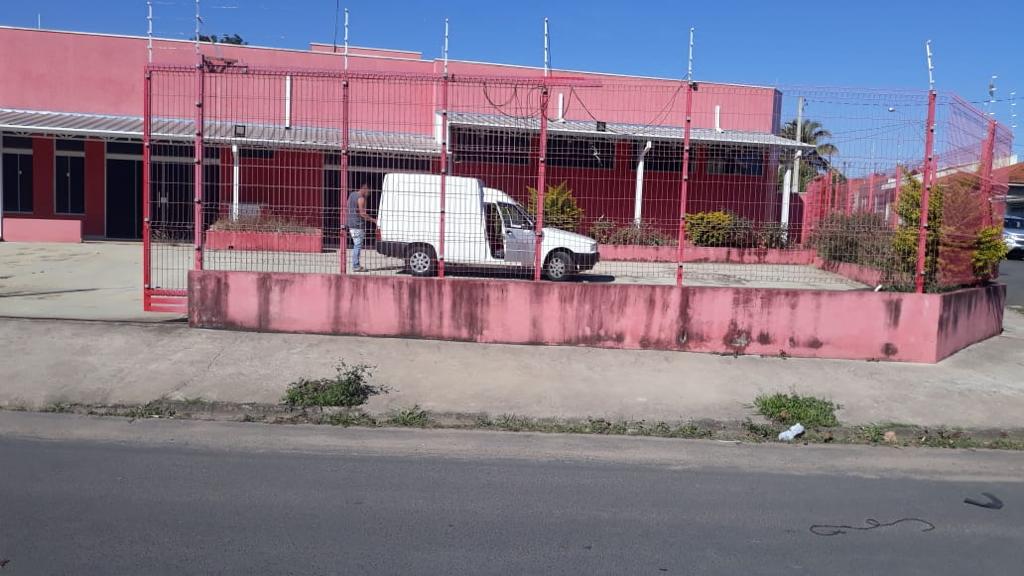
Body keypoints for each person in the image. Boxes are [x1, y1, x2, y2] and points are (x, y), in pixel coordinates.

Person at [347, 183, 376, 272]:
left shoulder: (352, 195)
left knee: (356, 244)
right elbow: (362, 213)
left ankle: (356, 265)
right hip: (358, 225)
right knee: (358, 245)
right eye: (369, 192)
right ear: (365, 189)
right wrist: (374, 220)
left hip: (351, 223)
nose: (369, 194)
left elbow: (349, 207)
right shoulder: (361, 198)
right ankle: (356, 265)